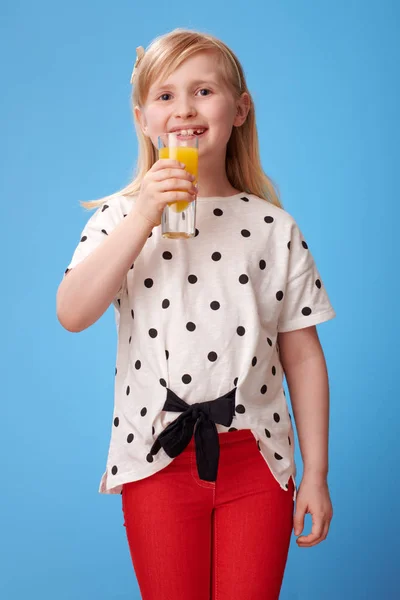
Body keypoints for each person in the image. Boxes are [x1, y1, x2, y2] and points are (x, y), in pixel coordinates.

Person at [56, 28, 336, 600]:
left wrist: (317, 474)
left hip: (257, 461)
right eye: (165, 96)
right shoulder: (119, 218)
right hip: (155, 458)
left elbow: (303, 357)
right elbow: (72, 312)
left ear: (240, 108)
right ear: (142, 118)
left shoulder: (272, 228)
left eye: (203, 90)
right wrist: (143, 218)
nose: (183, 108)